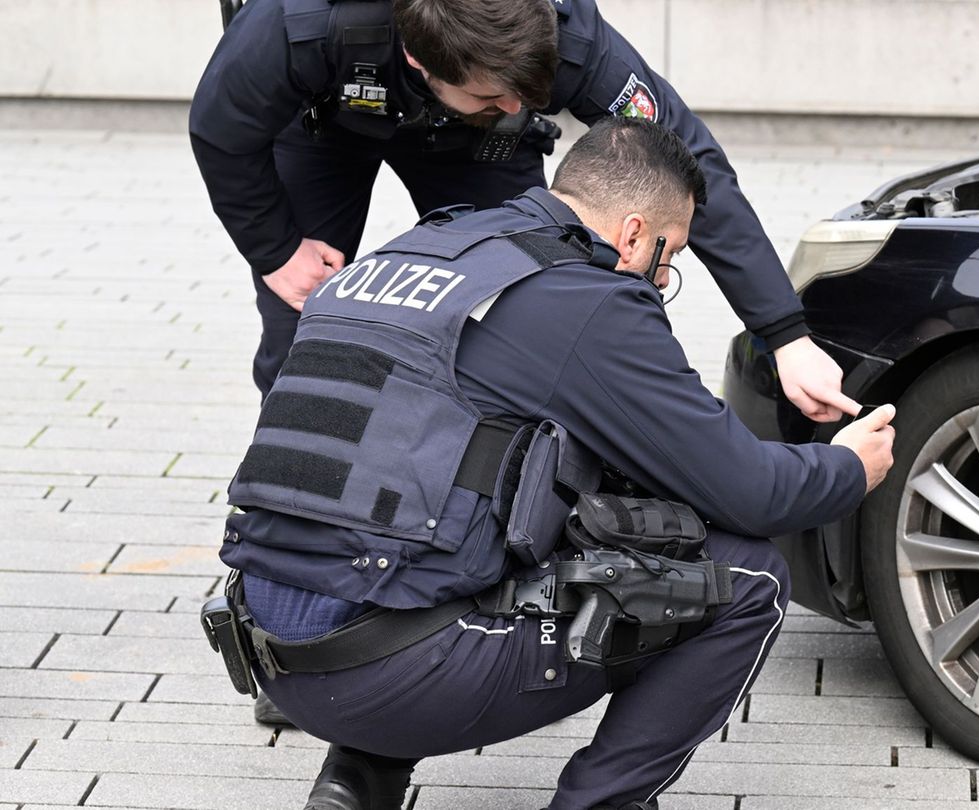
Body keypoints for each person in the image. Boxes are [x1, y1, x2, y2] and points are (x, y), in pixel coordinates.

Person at [211, 117, 895, 810]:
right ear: (632, 233)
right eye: (669, 256)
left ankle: (355, 781)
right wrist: (848, 468)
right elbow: (751, 493)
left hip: (269, 649)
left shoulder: (427, 247)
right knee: (747, 577)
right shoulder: (587, 297)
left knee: (470, 497)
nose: (663, 279)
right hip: (388, 672)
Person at [190, 0, 856, 422]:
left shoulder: (564, 35)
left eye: (525, 95)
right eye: (495, 94)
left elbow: (686, 162)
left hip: (474, 145)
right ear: (422, 60)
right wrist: (275, 250)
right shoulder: (301, 19)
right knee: (304, 329)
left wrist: (785, 334)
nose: (516, 106)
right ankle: (293, 526)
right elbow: (222, 129)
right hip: (326, 122)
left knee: (532, 306)